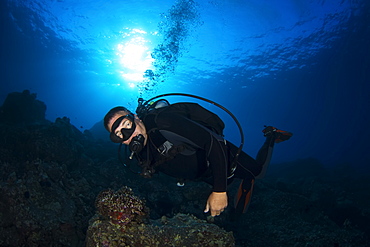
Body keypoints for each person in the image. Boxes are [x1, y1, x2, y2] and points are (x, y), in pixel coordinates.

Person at [103, 103, 292, 217]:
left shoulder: (163, 122)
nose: (127, 136)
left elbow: (214, 142)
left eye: (126, 125)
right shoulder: (138, 154)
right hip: (206, 174)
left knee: (259, 173)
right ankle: (238, 181)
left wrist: (219, 191)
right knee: (236, 185)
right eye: (118, 135)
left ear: (136, 117)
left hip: (222, 157)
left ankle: (272, 136)